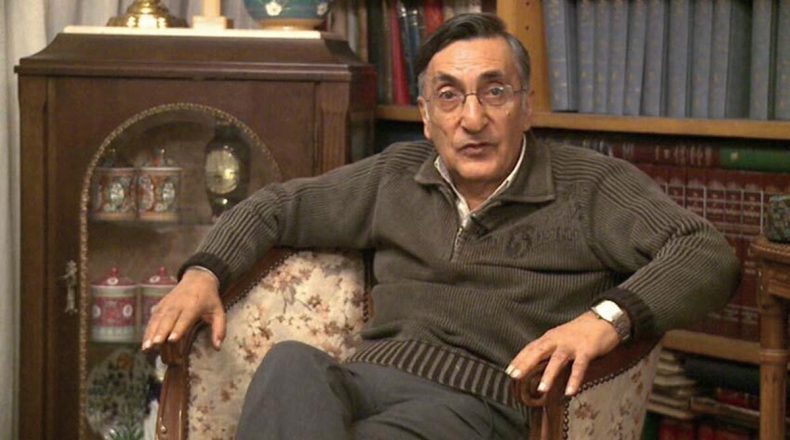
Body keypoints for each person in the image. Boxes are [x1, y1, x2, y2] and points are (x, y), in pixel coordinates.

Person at [143, 13, 740, 439]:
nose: (472, 119)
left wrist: (605, 320)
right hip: (369, 380)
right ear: (426, 118)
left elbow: (706, 252)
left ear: (526, 105)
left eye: (494, 92)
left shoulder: (590, 185)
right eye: (449, 97)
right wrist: (202, 274)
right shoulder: (395, 174)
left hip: (482, 403)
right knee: (290, 363)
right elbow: (275, 207)